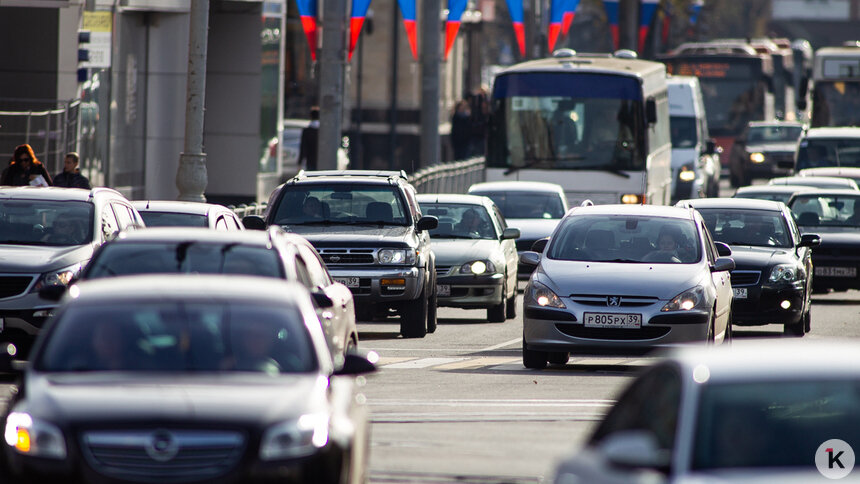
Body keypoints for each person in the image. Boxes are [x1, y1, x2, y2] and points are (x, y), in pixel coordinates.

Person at [299, 106, 320, 171]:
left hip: (310, 161)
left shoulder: (307, 131)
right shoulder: (323, 131)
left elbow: (303, 147)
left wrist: (300, 162)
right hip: (322, 160)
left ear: (310, 116)